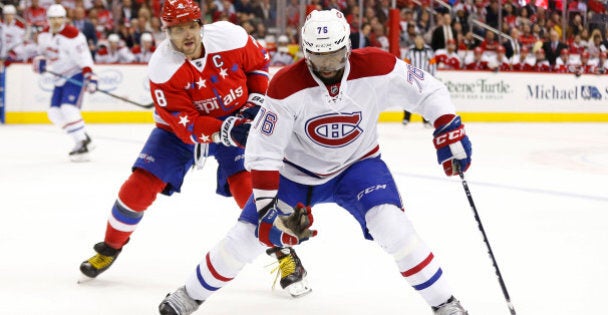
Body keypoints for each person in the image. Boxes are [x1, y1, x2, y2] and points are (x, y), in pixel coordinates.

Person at [158, 9, 471, 315]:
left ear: (348, 47)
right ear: (306, 53)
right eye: (319, 59)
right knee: (245, 237)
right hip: (293, 175)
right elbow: (263, 152)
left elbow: (428, 90)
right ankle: (189, 295)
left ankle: (445, 303)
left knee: (393, 226)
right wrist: (268, 214)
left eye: (335, 56)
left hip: (358, 166)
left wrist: (448, 126)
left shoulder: (378, 65)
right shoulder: (284, 86)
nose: (328, 66)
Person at [79, 0, 309, 298]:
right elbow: (185, 124)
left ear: (201, 26)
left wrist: (254, 100)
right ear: (167, 33)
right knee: (137, 188)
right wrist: (223, 130)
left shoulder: (231, 36)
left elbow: (258, 65)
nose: (186, 35)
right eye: (177, 30)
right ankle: (110, 247)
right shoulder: (162, 68)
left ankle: (285, 255)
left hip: (236, 116)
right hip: (179, 133)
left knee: (250, 191)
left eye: (190, 27)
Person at [32, 4, 98, 161]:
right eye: (53, 18)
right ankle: (81, 139)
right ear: (48, 19)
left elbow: (84, 57)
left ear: (65, 18)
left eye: (59, 18)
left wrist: (91, 76)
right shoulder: (43, 35)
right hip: (59, 77)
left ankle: (83, 140)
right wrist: (40, 62)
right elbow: (42, 54)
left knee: (68, 108)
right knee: (54, 113)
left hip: (75, 74)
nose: (56, 21)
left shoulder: (73, 35)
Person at [402, 34, 434, 127]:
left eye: (420, 38)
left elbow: (432, 64)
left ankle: (426, 120)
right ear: (415, 40)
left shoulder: (428, 50)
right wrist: (407, 77)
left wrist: (431, 77)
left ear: (423, 40)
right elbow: (405, 64)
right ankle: (406, 118)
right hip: (413, 79)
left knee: (425, 100)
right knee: (409, 99)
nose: (418, 40)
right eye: (417, 38)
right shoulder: (410, 50)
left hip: (425, 79)